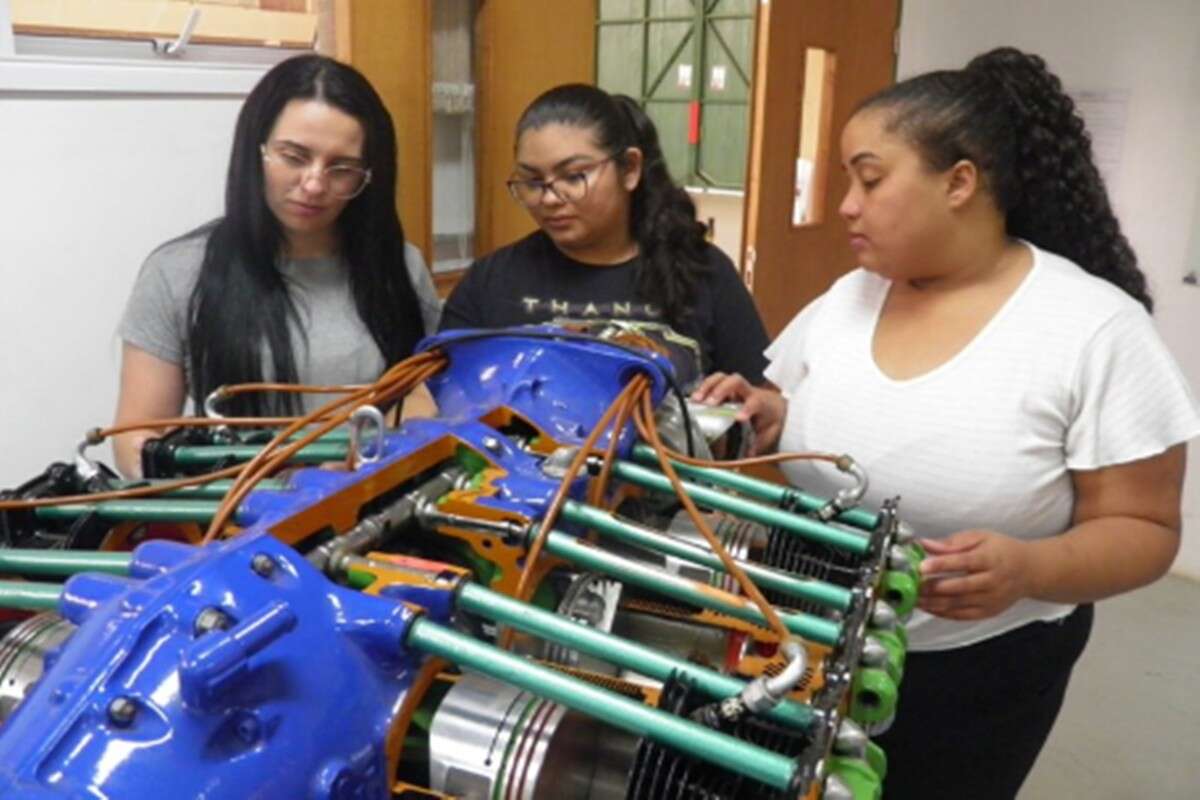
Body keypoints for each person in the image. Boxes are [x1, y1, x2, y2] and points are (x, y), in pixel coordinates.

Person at [692, 47, 1199, 799]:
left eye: (870, 179)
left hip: (972, 675)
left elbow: (1147, 528)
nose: (847, 205)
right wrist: (768, 418)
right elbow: (822, 413)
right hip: (803, 637)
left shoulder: (1093, 329)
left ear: (960, 182)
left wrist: (1032, 570)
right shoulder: (851, 296)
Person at [114, 55, 441, 477]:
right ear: (258, 149)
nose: (314, 184)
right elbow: (134, 441)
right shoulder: (177, 272)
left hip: (373, 512)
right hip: (235, 521)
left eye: (342, 169)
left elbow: (428, 394)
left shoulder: (400, 266)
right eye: (294, 156)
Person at [439, 83, 768, 388]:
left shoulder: (704, 273)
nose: (550, 198)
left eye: (573, 176)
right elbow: (438, 389)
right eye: (532, 181)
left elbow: (754, 400)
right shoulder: (491, 281)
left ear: (630, 169)